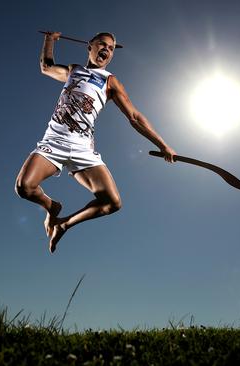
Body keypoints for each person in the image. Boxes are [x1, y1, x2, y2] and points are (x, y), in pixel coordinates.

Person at [15, 31, 176, 253]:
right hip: (55, 141)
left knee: (112, 202)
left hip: (82, 147)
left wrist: (162, 144)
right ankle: (52, 207)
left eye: (111, 48)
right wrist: (49, 40)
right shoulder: (73, 70)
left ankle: (64, 224)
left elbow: (135, 117)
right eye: (103, 44)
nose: (107, 50)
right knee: (24, 187)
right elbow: (46, 66)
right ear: (89, 46)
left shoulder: (110, 81)